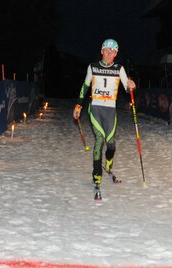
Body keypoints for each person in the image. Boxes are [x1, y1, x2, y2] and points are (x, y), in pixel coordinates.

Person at [73, 38, 136, 187]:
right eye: (107, 50)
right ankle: (96, 175)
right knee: (99, 140)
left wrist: (131, 86)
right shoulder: (93, 67)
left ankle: (108, 163)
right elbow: (85, 86)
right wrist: (78, 105)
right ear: (102, 51)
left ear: (116, 54)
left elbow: (127, 87)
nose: (109, 53)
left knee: (111, 144)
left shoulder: (119, 69)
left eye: (113, 51)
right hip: (95, 108)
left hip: (110, 110)